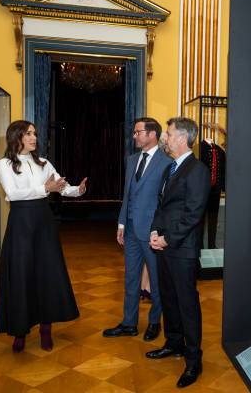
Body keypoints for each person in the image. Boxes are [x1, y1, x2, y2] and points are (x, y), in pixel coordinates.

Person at [0, 120, 87, 353]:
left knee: (47, 275)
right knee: (21, 274)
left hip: (44, 223)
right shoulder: (4, 164)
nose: (34, 138)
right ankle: (20, 331)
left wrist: (76, 190)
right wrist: (45, 189)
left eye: (35, 133)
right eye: (28, 134)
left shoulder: (44, 162)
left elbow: (60, 187)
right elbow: (14, 194)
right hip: (21, 224)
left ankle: (46, 329)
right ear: (16, 136)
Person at [147, 117, 211, 388]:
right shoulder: (170, 168)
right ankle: (174, 343)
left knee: (186, 303)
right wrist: (154, 232)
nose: (166, 138)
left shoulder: (197, 170)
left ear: (183, 138)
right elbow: (162, 207)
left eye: (170, 134)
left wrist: (167, 239)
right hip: (163, 245)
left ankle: (194, 360)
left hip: (181, 249)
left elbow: (193, 213)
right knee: (169, 298)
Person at [103, 117, 172, 341]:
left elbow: (165, 203)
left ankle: (154, 322)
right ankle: (129, 323)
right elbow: (128, 194)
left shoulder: (167, 163)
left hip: (152, 232)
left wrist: (160, 231)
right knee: (131, 278)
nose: (134, 136)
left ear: (152, 134)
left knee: (156, 280)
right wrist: (122, 223)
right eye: (134, 132)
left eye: (138, 132)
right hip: (131, 230)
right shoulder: (132, 160)